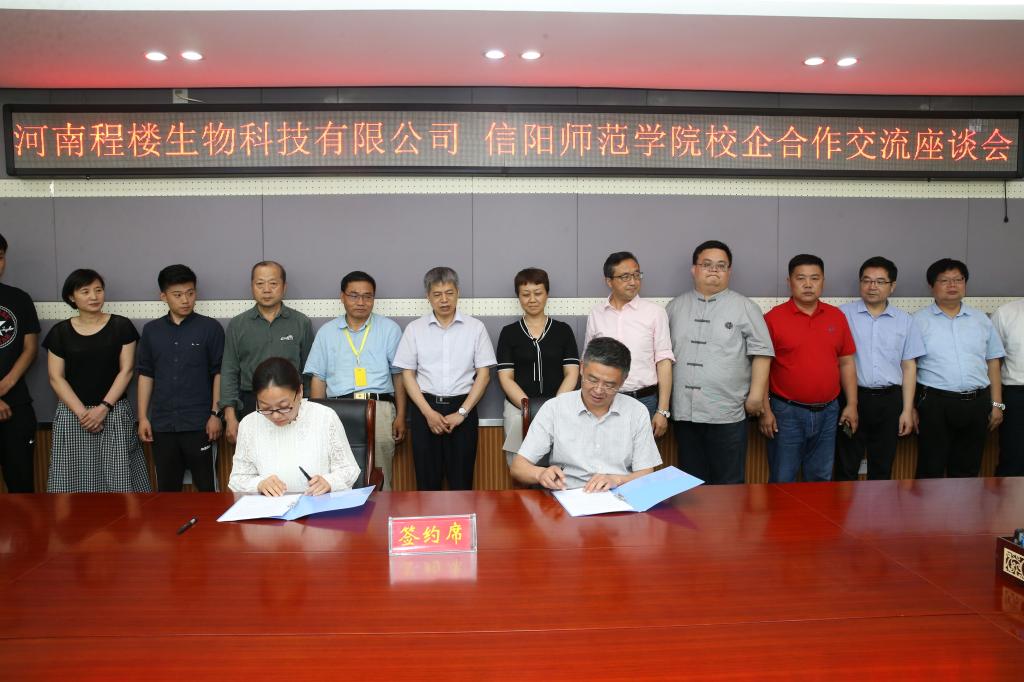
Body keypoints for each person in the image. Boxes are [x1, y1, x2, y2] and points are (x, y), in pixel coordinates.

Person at [666, 240, 773, 484]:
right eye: (707, 264)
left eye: (721, 265)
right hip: (685, 413)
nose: (714, 270)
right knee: (691, 484)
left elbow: (762, 353)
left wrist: (756, 396)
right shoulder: (675, 307)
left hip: (728, 412)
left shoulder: (745, 307)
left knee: (729, 483)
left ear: (729, 271)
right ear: (694, 269)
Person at [43, 269, 150, 492]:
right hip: (74, 416)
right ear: (72, 297)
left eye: (98, 290)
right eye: (85, 291)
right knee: (71, 484)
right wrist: (84, 414)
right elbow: (56, 377)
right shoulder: (60, 332)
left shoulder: (121, 326)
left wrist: (103, 408)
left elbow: (127, 370)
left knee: (120, 484)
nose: (94, 296)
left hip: (114, 413)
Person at [510, 336, 661, 491]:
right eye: (592, 380)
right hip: (566, 495)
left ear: (623, 380)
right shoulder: (555, 408)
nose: (598, 390)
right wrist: (540, 474)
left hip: (617, 496)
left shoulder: (637, 412)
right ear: (582, 368)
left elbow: (646, 474)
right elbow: (518, 467)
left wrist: (617, 480)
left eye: (609, 385)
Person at [394, 267, 495, 491]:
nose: (444, 300)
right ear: (428, 297)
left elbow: (484, 375)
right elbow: (407, 375)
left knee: (462, 484)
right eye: (437, 294)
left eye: (449, 293)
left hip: (463, 409)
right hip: (425, 409)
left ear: (458, 292)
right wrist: (428, 413)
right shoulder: (414, 329)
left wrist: (462, 413)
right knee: (427, 485)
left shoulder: (475, 328)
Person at [759, 254, 857, 483]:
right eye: (801, 278)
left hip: (829, 412)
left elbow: (846, 362)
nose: (808, 284)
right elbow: (762, 368)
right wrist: (765, 410)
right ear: (789, 282)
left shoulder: (837, 316)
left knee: (821, 478)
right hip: (786, 413)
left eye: (814, 278)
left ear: (823, 281)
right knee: (783, 478)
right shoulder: (773, 319)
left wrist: (852, 404)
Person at [305, 270, 406, 490]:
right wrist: (317, 419)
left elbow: (399, 376)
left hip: (378, 408)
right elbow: (318, 379)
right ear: (342, 297)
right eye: (354, 295)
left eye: (367, 296)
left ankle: (382, 510)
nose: (361, 302)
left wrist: (401, 416)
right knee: (338, 474)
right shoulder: (326, 332)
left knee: (379, 475)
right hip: (337, 409)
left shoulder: (389, 329)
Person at [913, 258, 1004, 478]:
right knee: (930, 469)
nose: (952, 285)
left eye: (958, 280)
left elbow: (993, 363)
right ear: (931, 286)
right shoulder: (917, 321)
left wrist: (997, 405)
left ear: (965, 284)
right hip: (934, 404)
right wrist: (911, 408)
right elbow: (908, 367)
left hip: (977, 403)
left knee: (968, 471)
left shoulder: (981, 320)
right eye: (944, 280)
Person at [137, 265, 225, 492]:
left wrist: (215, 414)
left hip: (200, 424)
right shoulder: (151, 330)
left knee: (207, 489)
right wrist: (143, 417)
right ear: (163, 296)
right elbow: (146, 375)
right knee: (167, 491)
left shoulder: (210, 328)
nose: (185, 300)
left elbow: (219, 373)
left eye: (190, 293)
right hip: (162, 424)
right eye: (177, 295)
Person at [835, 257, 925, 480]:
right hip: (851, 399)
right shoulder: (841, 315)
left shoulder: (905, 321)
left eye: (880, 281)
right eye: (866, 280)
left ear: (892, 286)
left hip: (889, 401)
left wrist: (907, 409)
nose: (872, 286)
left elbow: (909, 367)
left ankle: (880, 505)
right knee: (846, 464)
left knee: (883, 466)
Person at [228, 357, 360, 496]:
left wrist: (328, 482)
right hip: (272, 506)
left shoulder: (325, 417)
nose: (275, 416)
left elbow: (349, 470)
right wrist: (259, 484)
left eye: (284, 407)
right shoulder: (249, 424)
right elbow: (237, 479)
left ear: (300, 392)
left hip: (318, 503)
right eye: (265, 408)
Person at [220, 261, 313, 444]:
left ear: (284, 287)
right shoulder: (238, 325)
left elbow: (309, 373)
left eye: (273, 283)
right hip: (251, 403)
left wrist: (308, 411)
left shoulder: (300, 322)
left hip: (291, 404)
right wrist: (230, 417)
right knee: (256, 457)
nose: (267, 290)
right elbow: (229, 371)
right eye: (260, 284)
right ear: (252, 287)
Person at [585, 252, 674, 438]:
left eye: (636, 275)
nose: (633, 282)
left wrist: (663, 410)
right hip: (604, 400)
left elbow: (664, 361)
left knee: (643, 456)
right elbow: (588, 362)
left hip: (644, 400)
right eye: (625, 277)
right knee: (604, 453)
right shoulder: (597, 314)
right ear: (609, 281)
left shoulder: (655, 313)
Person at [496, 268, 580, 466]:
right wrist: (528, 409)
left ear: (547, 294)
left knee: (560, 466)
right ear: (518, 297)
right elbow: (505, 378)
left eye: (538, 293)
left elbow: (572, 373)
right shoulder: (508, 333)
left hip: (560, 408)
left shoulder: (563, 330)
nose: (532, 299)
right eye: (526, 294)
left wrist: (553, 408)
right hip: (518, 410)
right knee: (518, 465)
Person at [0, 233, 40, 493]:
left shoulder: (19, 298)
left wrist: (5, 385)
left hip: (16, 406)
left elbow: (30, 349)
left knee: (22, 490)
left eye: (0, 257)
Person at [992, 297, 1024, 476]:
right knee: (1014, 460)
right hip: (1016, 397)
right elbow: (992, 361)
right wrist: (996, 404)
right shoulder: (1005, 313)